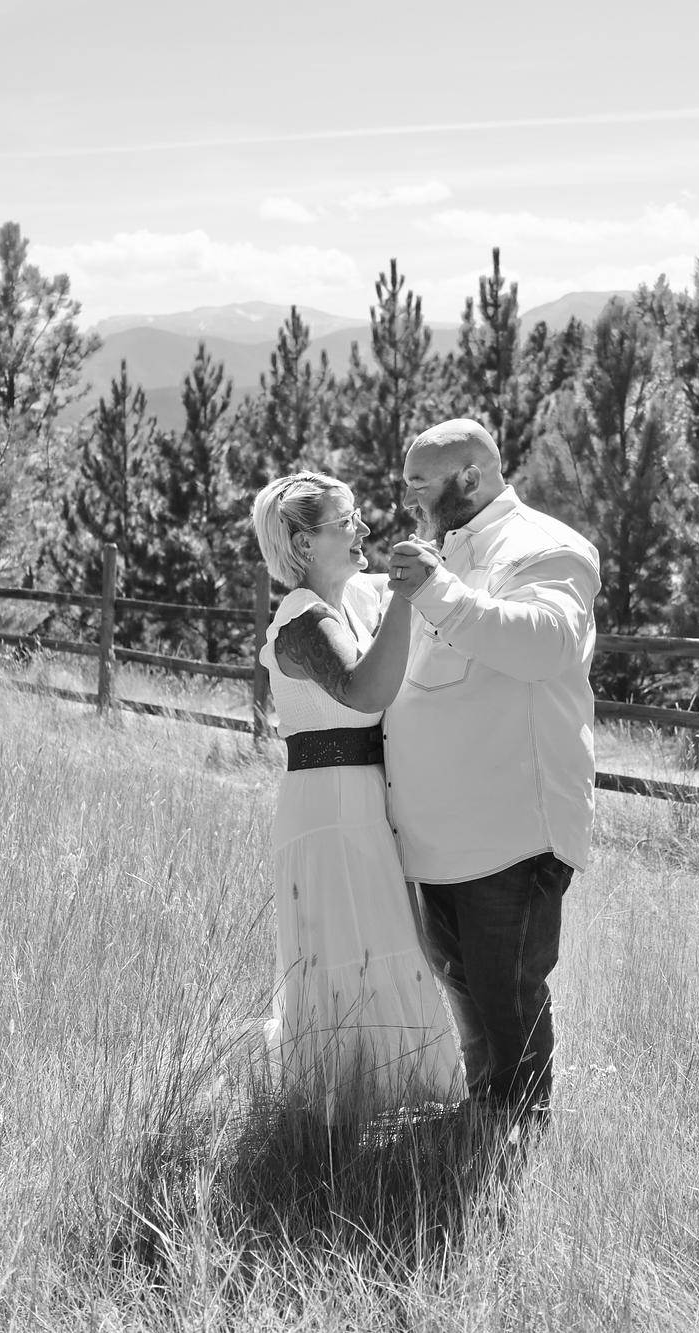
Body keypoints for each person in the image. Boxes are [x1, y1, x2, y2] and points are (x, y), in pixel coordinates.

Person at [382, 419, 600, 1131]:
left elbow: (545, 646)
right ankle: (483, 1124)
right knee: (463, 983)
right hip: (441, 834)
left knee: (505, 994)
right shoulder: (445, 552)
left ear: (471, 477)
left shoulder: (548, 548)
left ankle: (515, 1139)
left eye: (420, 485)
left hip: (511, 829)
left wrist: (437, 590)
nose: (409, 500)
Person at [252, 471, 462, 1123]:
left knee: (389, 946)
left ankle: (398, 1108)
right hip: (327, 811)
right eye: (347, 521)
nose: (364, 529)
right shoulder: (300, 619)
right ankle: (332, 1124)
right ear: (303, 542)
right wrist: (406, 594)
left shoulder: (353, 600)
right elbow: (365, 690)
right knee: (346, 956)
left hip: (366, 804)